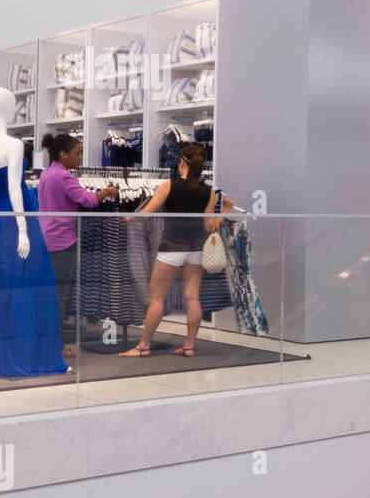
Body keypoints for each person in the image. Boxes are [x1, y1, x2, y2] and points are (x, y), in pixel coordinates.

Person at [118, 144, 229, 358]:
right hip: (196, 248)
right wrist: (225, 211)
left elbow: (145, 214)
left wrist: (129, 217)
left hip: (172, 247)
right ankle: (188, 346)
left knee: (157, 298)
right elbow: (208, 227)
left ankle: (143, 346)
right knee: (192, 297)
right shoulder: (209, 192)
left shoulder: (169, 185)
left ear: (181, 162)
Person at [36, 132, 119, 358]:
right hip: (62, 242)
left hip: (46, 238)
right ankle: (57, 346)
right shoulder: (64, 177)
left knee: (50, 295)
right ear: (63, 155)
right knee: (60, 297)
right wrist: (108, 191)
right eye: (77, 153)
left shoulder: (46, 174)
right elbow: (88, 200)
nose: (81, 157)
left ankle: (45, 341)